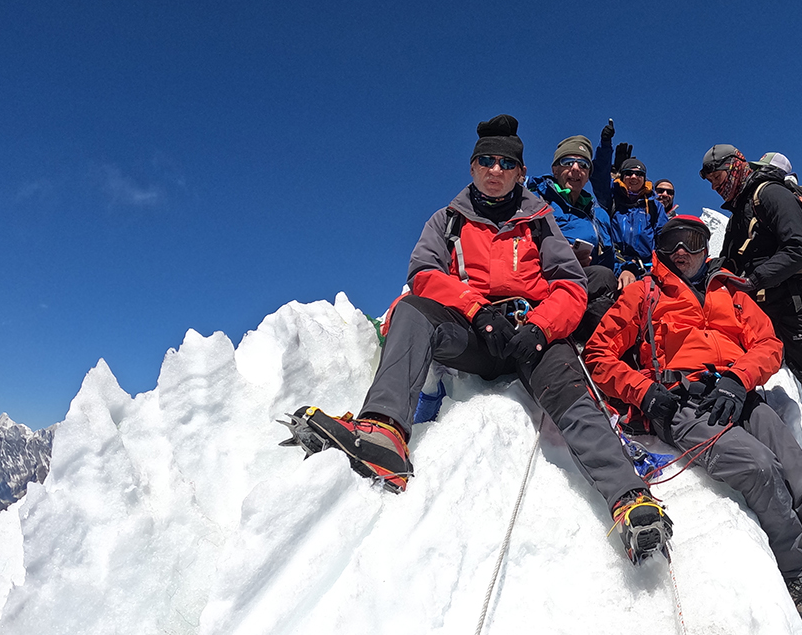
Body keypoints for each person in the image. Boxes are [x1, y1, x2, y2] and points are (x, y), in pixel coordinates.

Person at [285, 114, 672, 564]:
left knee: (570, 389)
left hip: (533, 335)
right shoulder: (447, 220)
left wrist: (540, 327)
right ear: (471, 168)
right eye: (485, 161)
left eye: (505, 163)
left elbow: (570, 284)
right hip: (474, 333)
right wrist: (476, 310)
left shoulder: (540, 220)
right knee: (412, 311)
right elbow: (424, 273)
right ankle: (384, 433)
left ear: (520, 172)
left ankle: (629, 498)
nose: (495, 170)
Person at [584, 216, 802, 635]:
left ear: (705, 247)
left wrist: (739, 378)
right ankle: (798, 572)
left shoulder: (730, 292)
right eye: (671, 243)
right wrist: (644, 391)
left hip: (740, 396)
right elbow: (599, 354)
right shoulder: (644, 293)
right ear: (660, 249)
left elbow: (768, 344)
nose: (681, 251)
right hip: (681, 404)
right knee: (757, 467)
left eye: (691, 241)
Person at [700, 144, 802, 493]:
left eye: (717, 177)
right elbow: (734, 261)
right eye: (710, 182)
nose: (715, 186)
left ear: (735, 166)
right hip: (771, 303)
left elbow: (798, 249)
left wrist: (752, 281)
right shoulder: (742, 210)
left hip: (800, 300)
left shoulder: (770, 193)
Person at [526, 134, 620, 343]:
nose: (576, 168)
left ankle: (594, 349)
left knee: (613, 282)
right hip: (540, 277)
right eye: (568, 162)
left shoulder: (598, 213)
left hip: (581, 280)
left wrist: (628, 272)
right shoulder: (534, 199)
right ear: (555, 169)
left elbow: (608, 259)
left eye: (583, 164)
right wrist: (559, 255)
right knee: (602, 278)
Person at [592, 120, 668, 288]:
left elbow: (664, 238)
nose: (634, 177)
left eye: (638, 173)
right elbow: (598, 177)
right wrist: (605, 145)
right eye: (629, 173)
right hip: (615, 266)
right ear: (622, 176)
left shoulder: (654, 206)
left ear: (645, 178)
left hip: (647, 270)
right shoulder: (611, 199)